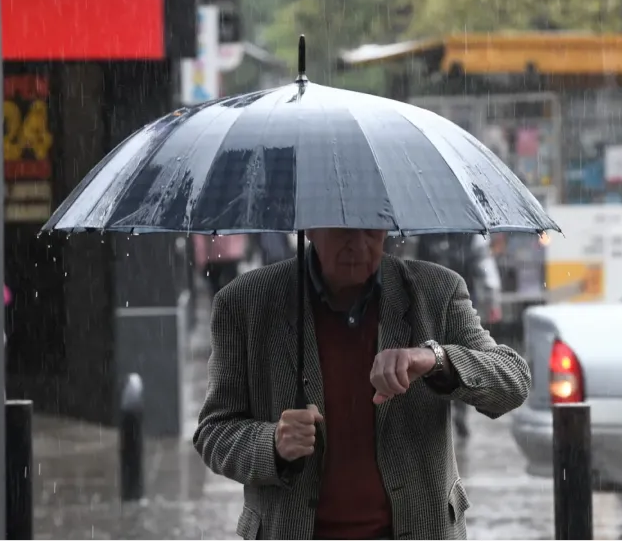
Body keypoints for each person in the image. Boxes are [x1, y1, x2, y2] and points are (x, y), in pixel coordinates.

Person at [193, 228, 530, 540]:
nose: (357, 244)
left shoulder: (436, 291)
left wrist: (436, 360)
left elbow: (513, 379)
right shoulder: (245, 303)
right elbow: (215, 431)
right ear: (311, 227)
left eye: (370, 229)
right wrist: (272, 443)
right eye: (341, 229)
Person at [414, 233, 503, 439]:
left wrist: (491, 296)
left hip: (454, 304)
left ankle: (456, 411)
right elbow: (483, 262)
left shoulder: (430, 232)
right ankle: (445, 410)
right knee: (436, 356)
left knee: (455, 357)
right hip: (435, 304)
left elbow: (483, 262)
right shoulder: (457, 232)